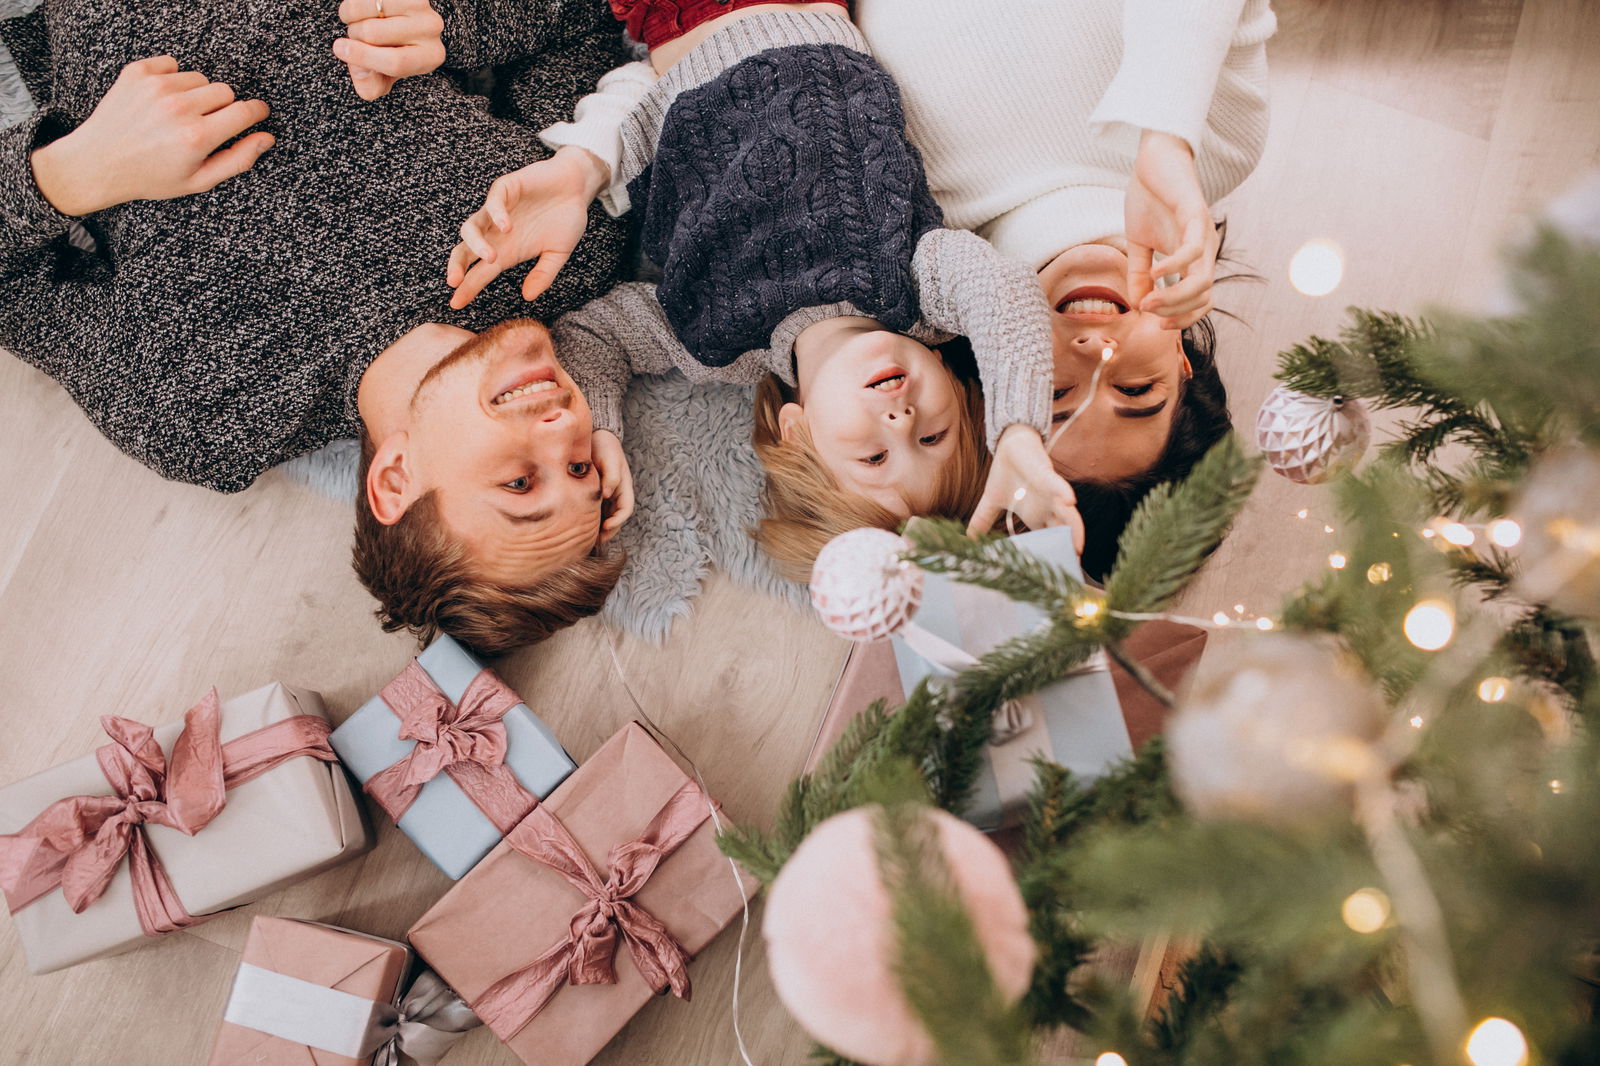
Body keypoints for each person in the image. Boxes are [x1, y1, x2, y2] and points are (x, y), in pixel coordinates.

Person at [0, 0, 634, 652]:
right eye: (579, 467)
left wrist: (71, 173)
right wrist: (451, 22)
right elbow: (586, 22)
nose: (565, 428)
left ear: (395, 479)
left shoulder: (207, 419)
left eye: (520, 483)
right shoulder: (560, 249)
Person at [445, 1, 1083, 578]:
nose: (901, 421)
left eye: (873, 457)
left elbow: (593, 336)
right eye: (932, 438)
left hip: (673, 25)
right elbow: (1003, 295)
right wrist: (1016, 430)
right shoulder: (918, 289)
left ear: (797, 432)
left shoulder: (713, 342)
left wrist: (603, 431)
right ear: (953, 382)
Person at [853, 0, 1275, 576]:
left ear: (996, 388)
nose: (1095, 353)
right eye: (1135, 390)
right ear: (1182, 363)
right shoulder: (1217, 145)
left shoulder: (902, 222)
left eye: (1052, 396)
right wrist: (1166, 135)